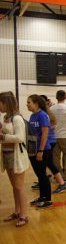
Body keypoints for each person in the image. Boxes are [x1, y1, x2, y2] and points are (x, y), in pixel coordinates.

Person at [0, 92, 30, 226]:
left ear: (5, 103)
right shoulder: (6, 117)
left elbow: (19, 138)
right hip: (7, 154)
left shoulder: (17, 118)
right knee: (14, 186)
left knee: (19, 186)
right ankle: (17, 211)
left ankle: (24, 215)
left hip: (16, 156)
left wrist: (3, 137)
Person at [27, 94, 53, 208]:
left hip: (42, 149)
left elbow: (45, 134)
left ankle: (47, 199)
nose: (27, 105)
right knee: (39, 175)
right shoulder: (33, 116)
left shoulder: (42, 115)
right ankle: (42, 196)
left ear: (36, 103)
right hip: (34, 150)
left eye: (29, 102)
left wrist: (41, 151)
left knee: (42, 174)